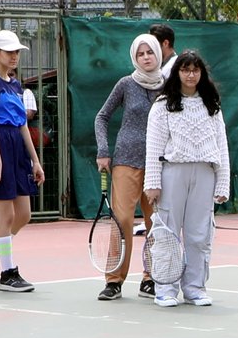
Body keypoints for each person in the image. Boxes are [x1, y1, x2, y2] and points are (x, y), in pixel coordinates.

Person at [142, 51, 230, 308]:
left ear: (202, 73)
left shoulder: (211, 104)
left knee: (200, 233)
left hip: (204, 173)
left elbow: (221, 145)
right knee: (167, 231)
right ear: (177, 73)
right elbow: (154, 147)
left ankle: (194, 288)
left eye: (195, 70)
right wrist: (153, 183)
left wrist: (222, 183)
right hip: (173, 173)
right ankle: (165, 288)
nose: (191, 75)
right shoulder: (162, 105)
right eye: (185, 70)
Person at [93, 33, 165, 301]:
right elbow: (102, 117)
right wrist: (103, 151)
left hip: (159, 164)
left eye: (150, 52)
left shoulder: (169, 86)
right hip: (125, 161)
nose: (146, 57)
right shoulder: (126, 84)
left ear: (158, 54)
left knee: (155, 222)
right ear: (134, 58)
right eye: (140, 54)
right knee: (121, 220)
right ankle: (114, 280)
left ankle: (151, 278)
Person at [0, 29, 45, 292]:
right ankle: (8, 273)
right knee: (7, 213)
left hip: (18, 151)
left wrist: (35, 160)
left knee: (23, 214)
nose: (14, 56)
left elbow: (23, 123)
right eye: (10, 52)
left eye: (17, 52)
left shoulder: (14, 84)